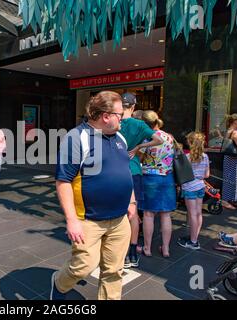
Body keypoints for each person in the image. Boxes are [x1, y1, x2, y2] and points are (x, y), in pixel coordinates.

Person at [50, 91, 134, 300]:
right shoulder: (77, 138)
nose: (123, 119)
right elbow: (63, 181)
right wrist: (72, 220)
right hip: (88, 220)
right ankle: (59, 284)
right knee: (83, 267)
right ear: (106, 116)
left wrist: (132, 200)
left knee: (114, 270)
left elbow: (125, 171)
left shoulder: (120, 138)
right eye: (120, 115)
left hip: (119, 219)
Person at [119, 93, 163, 268]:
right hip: (133, 170)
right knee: (133, 214)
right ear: (133, 107)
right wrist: (139, 146)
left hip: (115, 171)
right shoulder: (139, 124)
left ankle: (118, 250)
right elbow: (158, 139)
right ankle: (131, 252)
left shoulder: (114, 123)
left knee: (119, 212)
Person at [139, 111, 176, 258]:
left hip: (150, 178)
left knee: (149, 214)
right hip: (167, 178)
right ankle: (166, 249)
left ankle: (147, 248)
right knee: (166, 215)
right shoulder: (168, 137)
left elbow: (139, 156)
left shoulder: (147, 138)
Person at [177, 132, 210, 250]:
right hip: (201, 186)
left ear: (190, 143)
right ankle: (194, 237)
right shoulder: (205, 156)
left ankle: (193, 241)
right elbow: (207, 175)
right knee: (198, 213)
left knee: (192, 214)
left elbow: (182, 174)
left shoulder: (187, 157)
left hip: (189, 188)